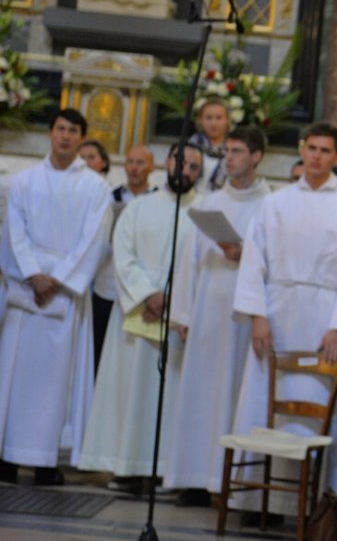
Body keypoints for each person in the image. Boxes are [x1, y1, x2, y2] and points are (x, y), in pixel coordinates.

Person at [229, 122, 337, 516]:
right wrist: (258, 315)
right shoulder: (276, 202)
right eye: (311, 148)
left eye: (326, 150)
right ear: (302, 149)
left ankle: (321, 505)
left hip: (324, 320)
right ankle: (255, 499)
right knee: (263, 401)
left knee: (321, 409)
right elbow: (254, 260)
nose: (317, 156)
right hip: (276, 316)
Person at [77, 143, 204, 492]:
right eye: (182, 164)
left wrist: (173, 301)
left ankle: (165, 469)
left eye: (194, 167)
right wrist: (148, 295)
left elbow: (203, 268)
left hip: (178, 316)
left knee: (170, 396)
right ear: (168, 164)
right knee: (131, 392)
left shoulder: (204, 212)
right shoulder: (140, 208)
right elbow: (124, 254)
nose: (187, 172)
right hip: (139, 313)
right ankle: (127, 466)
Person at [0, 109, 112, 486]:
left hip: (63, 294)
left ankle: (47, 460)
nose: (65, 136)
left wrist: (57, 279)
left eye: (73, 131)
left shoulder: (95, 188)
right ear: (50, 133)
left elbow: (94, 241)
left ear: (82, 138)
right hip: (26, 290)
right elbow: (14, 231)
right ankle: (8, 457)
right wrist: (32, 273)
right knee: (14, 377)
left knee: (57, 381)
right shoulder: (23, 181)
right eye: (60, 129)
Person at [164, 127, 271, 506]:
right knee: (202, 393)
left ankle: (233, 487)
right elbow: (190, 261)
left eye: (238, 151)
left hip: (245, 314)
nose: (229, 158)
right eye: (227, 151)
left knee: (237, 397)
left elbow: (275, 262)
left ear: (257, 157)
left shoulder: (271, 204)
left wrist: (247, 253)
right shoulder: (210, 202)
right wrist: (183, 313)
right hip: (209, 309)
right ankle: (195, 478)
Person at [94, 145, 158, 372]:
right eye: (130, 162)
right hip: (108, 281)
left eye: (140, 162)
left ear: (152, 166)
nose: (134, 167)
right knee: (100, 348)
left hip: (139, 285)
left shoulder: (159, 200)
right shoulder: (109, 197)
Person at [190, 97, 230, 192]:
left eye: (219, 118)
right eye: (208, 118)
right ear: (200, 120)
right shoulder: (191, 145)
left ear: (227, 120)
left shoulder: (234, 148)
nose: (213, 123)